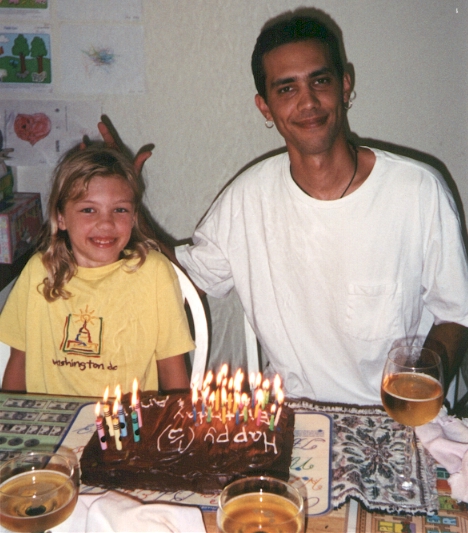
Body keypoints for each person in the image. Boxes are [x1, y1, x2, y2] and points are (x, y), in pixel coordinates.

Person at [99, 14, 468, 405]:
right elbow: (183, 280)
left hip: (394, 411)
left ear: (345, 86)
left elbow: (456, 314)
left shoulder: (417, 191)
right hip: (292, 414)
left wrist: (418, 388)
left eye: (320, 81)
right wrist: (125, 204)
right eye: (287, 89)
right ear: (265, 107)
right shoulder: (248, 198)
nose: (307, 102)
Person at [0, 145, 194, 396]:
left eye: (120, 210)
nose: (106, 223)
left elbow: (172, 370)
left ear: (134, 217)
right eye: (88, 210)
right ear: (61, 217)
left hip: (126, 418)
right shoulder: (39, 271)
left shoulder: (154, 273)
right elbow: (19, 360)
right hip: (52, 417)